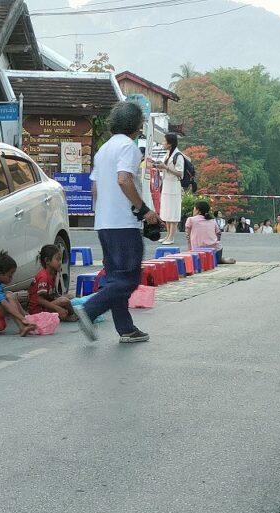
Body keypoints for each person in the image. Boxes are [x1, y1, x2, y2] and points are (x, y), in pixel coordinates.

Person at [73, 100, 160, 344]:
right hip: (124, 223)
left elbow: (95, 188)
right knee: (128, 278)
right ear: (136, 125)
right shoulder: (129, 148)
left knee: (115, 278)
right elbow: (123, 179)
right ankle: (89, 310)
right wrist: (143, 209)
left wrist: (104, 211)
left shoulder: (104, 149)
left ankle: (126, 328)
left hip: (104, 223)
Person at [148, 133, 184, 245]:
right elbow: (165, 169)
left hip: (174, 186)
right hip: (167, 185)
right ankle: (168, 235)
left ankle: (171, 237)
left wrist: (166, 167)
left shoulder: (178, 156)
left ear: (170, 144)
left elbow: (180, 173)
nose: (163, 143)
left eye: (164, 141)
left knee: (173, 212)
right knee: (167, 211)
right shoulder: (168, 154)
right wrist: (157, 165)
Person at [28, 244, 75, 321]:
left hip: (45, 306)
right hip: (37, 311)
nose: (60, 262)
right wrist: (57, 308)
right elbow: (39, 300)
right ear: (47, 261)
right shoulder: (43, 277)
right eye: (57, 259)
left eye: (60, 259)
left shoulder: (53, 273)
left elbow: (52, 294)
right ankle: (70, 316)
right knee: (64, 301)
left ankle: (66, 313)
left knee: (69, 296)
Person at [185, 200, 236, 264]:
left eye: (194, 209)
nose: (193, 211)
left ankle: (218, 260)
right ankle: (220, 259)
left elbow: (188, 237)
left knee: (198, 262)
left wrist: (190, 251)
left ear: (198, 210)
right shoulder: (212, 220)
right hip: (216, 251)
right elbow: (219, 233)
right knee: (213, 260)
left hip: (198, 252)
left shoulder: (190, 220)